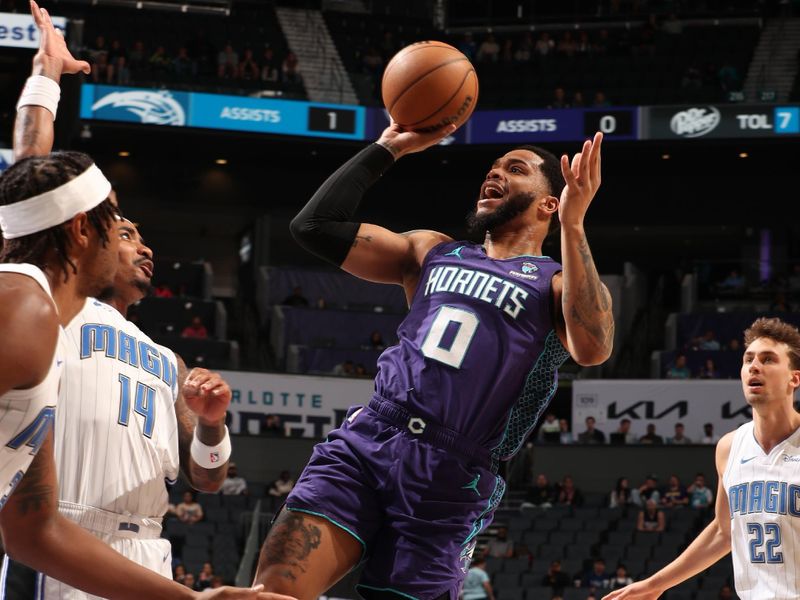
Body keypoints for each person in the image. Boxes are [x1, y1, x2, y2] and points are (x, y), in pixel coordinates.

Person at [254, 121, 613, 599]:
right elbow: (313, 227)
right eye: (492, 167)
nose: (496, 173)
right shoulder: (431, 251)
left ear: (550, 202)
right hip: (368, 440)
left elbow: (595, 348)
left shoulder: (555, 283)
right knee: (274, 589)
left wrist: (573, 224)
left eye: (516, 169)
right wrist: (389, 148)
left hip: (451, 475)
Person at [0, 5, 287, 600]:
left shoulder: (164, 359)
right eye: (120, 228)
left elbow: (208, 479)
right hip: (64, 544)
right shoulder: (38, 308)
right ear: (81, 231)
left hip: (142, 550)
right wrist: (44, 81)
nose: (139, 242)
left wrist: (211, 427)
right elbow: (30, 182)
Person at [604, 317, 800, 600]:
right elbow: (723, 532)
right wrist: (654, 585)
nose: (754, 366)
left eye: (768, 359)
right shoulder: (730, 447)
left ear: (794, 378)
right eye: (748, 360)